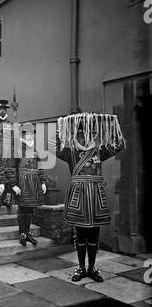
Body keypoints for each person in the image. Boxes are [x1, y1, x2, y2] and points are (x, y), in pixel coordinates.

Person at [50, 112, 126, 282]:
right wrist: (61, 125)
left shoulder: (99, 151)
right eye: (82, 134)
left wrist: (112, 124)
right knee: (80, 235)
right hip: (78, 197)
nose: (86, 137)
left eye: (90, 134)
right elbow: (52, 147)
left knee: (93, 236)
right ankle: (81, 268)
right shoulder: (70, 152)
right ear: (77, 135)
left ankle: (92, 268)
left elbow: (119, 144)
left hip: (95, 198)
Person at [16, 128, 46, 246]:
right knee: (22, 209)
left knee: (30, 209)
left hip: (34, 182)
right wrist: (13, 185)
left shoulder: (35, 149)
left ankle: (28, 232)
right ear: (22, 135)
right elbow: (12, 167)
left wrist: (43, 181)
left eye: (31, 134)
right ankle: (22, 233)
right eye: (26, 134)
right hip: (22, 182)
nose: (29, 136)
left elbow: (40, 167)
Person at [0, 99, 20, 211]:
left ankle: (9, 201)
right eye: (0, 109)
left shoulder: (10, 124)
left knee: (10, 173)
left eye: (4, 109)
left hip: (9, 154)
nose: (2, 111)